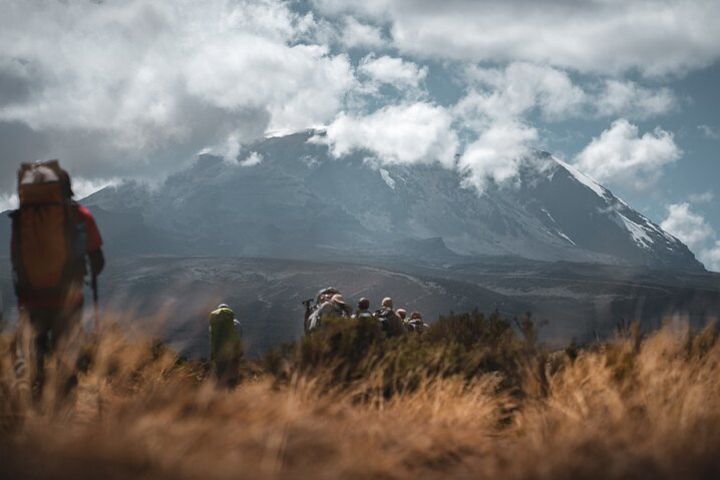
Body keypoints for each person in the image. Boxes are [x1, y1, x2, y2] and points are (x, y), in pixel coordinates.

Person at [10, 160, 105, 399]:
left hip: (31, 300)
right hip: (68, 299)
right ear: (66, 187)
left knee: (35, 358)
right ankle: (66, 407)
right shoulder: (79, 216)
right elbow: (98, 261)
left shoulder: (22, 218)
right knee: (67, 358)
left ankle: (35, 407)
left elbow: (16, 258)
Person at [208, 303, 243, 386]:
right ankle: (233, 391)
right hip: (233, 352)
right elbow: (240, 336)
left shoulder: (214, 325)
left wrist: (213, 353)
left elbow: (212, 338)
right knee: (233, 372)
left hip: (219, 352)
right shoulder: (236, 323)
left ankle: (221, 392)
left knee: (220, 373)